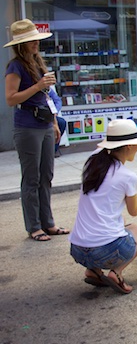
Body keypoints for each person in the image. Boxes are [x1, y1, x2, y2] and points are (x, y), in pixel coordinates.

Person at [69, 119, 137, 294]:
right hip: (105, 251)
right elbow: (135, 210)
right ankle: (116, 273)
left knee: (120, 222)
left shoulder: (92, 161)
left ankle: (93, 270)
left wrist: (136, 136)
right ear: (128, 147)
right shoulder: (127, 176)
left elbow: (105, 144)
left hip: (77, 250)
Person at [4, 18, 68, 242]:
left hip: (44, 124)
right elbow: (11, 99)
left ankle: (48, 223)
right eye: (31, 41)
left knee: (46, 176)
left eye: (36, 40)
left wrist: (53, 123)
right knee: (31, 178)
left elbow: (47, 98)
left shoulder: (38, 62)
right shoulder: (16, 66)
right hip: (27, 126)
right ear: (21, 44)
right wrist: (38, 86)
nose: (36, 44)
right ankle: (34, 226)